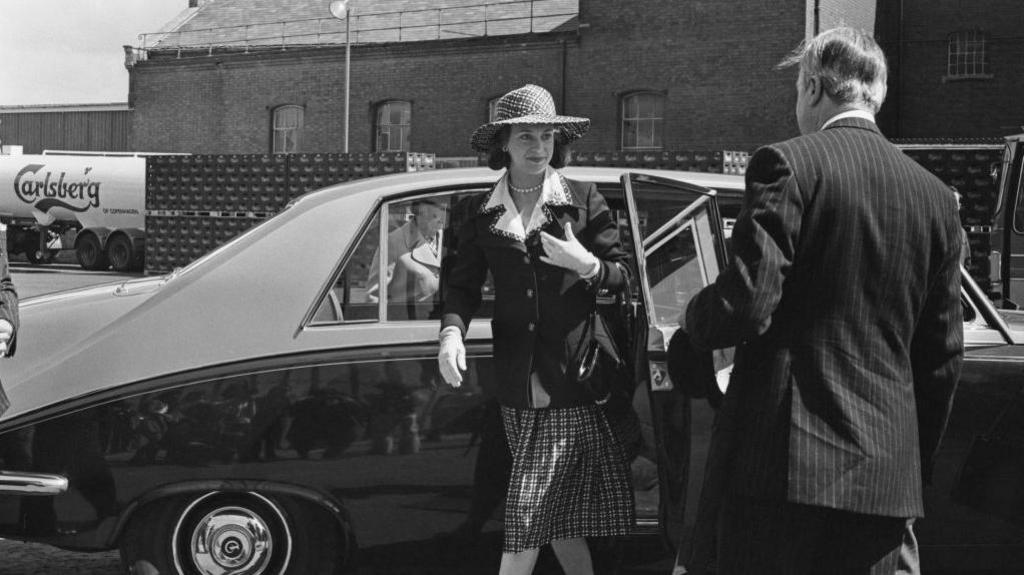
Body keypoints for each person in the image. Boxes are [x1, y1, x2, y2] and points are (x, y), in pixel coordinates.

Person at [681, 28, 964, 575]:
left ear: (812, 87)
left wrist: (693, 318)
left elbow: (745, 304)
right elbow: (941, 357)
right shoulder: (935, 197)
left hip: (783, 473)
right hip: (886, 482)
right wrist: (907, 466)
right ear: (874, 94)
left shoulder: (787, 165)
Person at [437, 84, 634, 575]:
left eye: (547, 136)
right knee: (559, 521)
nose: (538, 147)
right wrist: (451, 334)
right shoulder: (480, 211)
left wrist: (586, 263)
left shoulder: (583, 200)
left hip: (570, 378)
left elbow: (623, 276)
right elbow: (460, 287)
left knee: (526, 516)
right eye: (526, 136)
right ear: (503, 142)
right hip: (515, 381)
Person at [366, 198, 446, 303]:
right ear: (420, 215)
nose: (441, 222)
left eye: (442, 214)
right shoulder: (393, 242)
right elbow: (374, 297)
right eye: (434, 216)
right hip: (407, 316)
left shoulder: (447, 238)